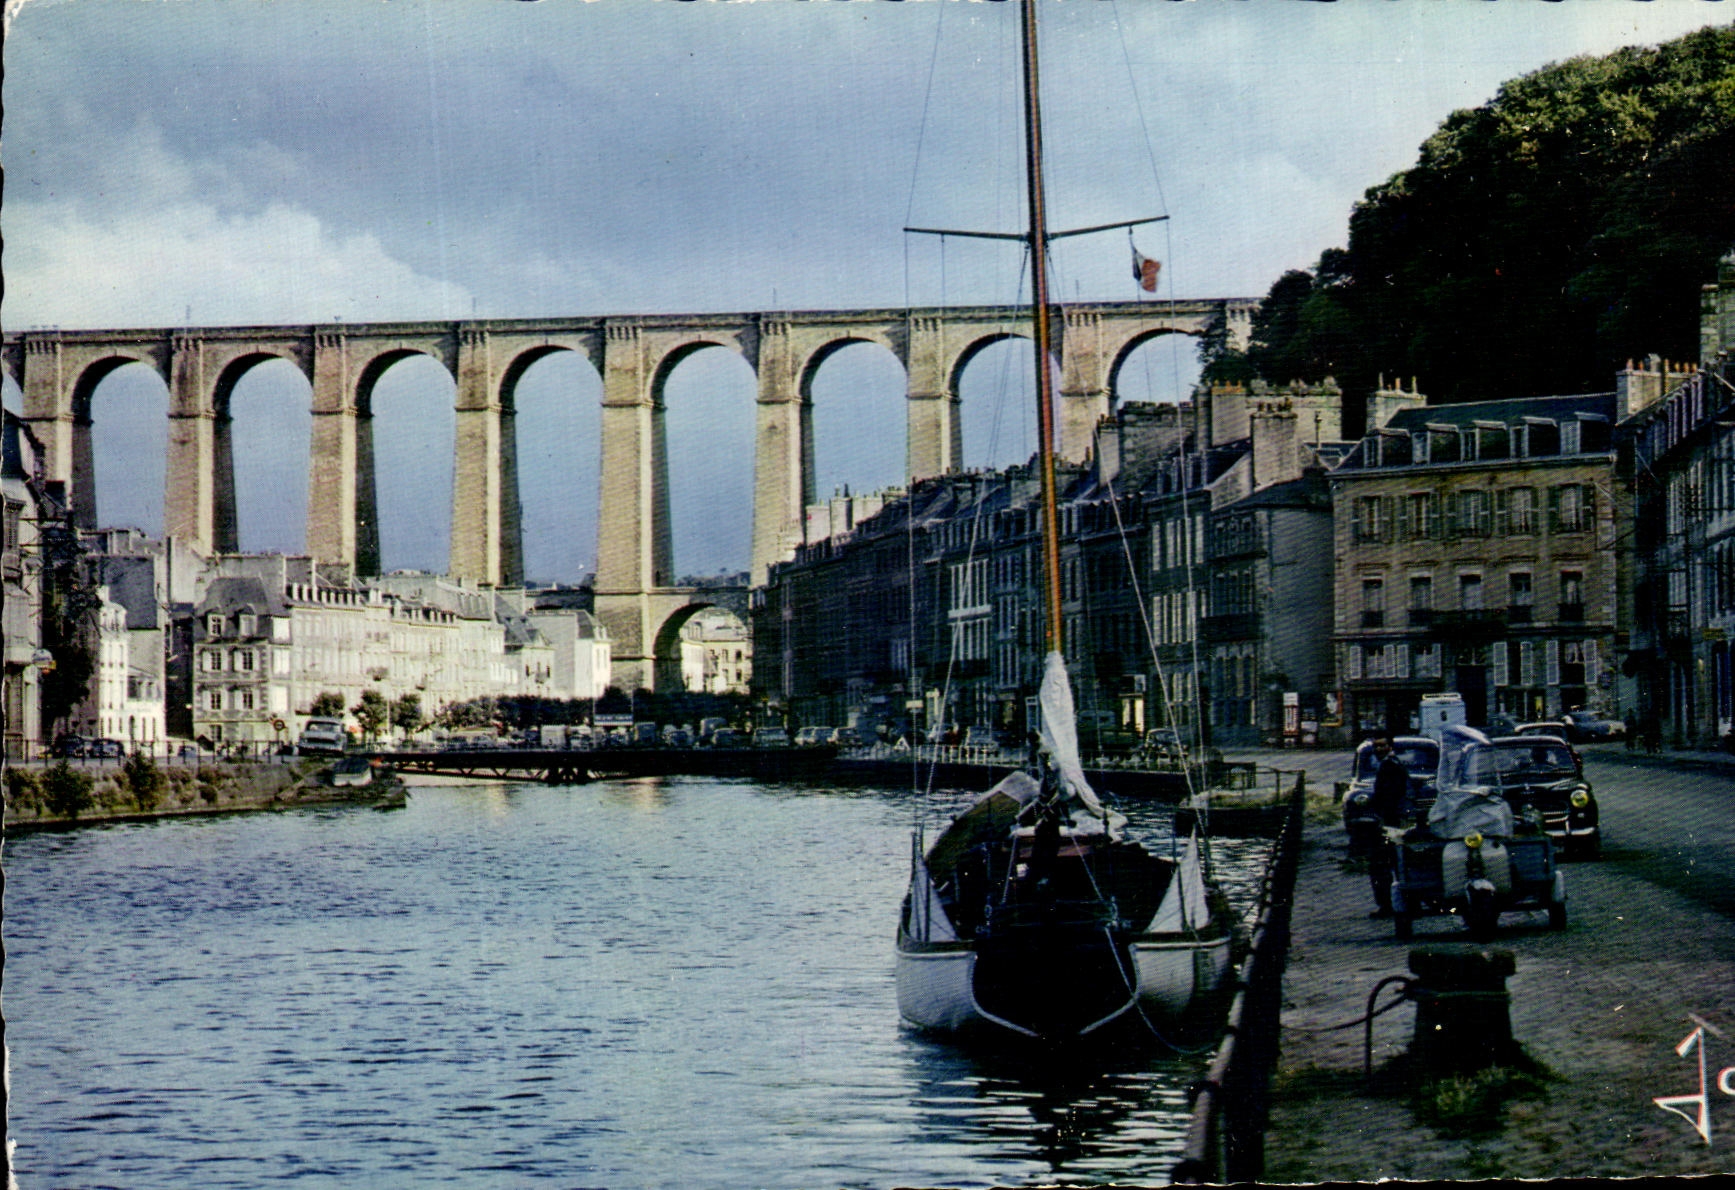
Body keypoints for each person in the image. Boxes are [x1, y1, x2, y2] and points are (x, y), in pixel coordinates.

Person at [1367, 736, 1410, 917]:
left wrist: (1377, 809)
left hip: (1389, 823)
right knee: (1393, 864)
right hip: (1391, 820)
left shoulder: (1389, 766)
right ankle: (1395, 903)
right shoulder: (1391, 764)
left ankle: (1387, 905)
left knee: (1380, 865)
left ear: (1390, 747)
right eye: (1376, 746)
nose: (1378, 749)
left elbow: (1390, 796)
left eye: (1382, 746)